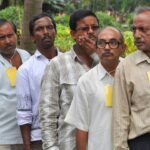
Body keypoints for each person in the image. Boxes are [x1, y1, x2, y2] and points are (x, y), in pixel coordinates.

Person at [39, 9, 100, 150]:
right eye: (84, 29)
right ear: (73, 34)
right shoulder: (57, 64)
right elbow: (48, 113)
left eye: (95, 27)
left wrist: (96, 54)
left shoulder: (110, 63)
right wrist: (51, 148)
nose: (91, 32)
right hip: (69, 144)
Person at [65, 26, 125, 150]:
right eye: (101, 43)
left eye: (113, 43)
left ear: (122, 48)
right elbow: (81, 127)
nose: (107, 47)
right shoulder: (86, 81)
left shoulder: (132, 73)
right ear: (96, 48)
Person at [16, 13, 61, 150]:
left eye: (49, 27)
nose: (46, 32)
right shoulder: (26, 70)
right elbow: (24, 112)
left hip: (68, 135)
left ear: (55, 32)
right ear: (32, 37)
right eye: (39, 29)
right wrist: (28, 146)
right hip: (40, 139)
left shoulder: (68, 62)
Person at [112, 6, 150, 150]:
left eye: (143, 29)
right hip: (142, 142)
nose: (137, 34)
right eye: (134, 29)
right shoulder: (127, 66)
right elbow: (120, 116)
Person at [0, 18, 30, 150]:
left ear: (16, 34)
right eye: (2, 37)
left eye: (10, 35)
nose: (8, 41)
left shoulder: (26, 56)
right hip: (3, 137)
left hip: (27, 134)